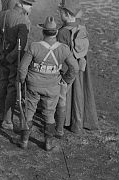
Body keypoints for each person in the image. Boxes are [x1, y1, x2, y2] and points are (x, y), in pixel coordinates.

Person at [17, 16, 78, 151]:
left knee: (29, 112)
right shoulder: (64, 49)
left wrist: (22, 80)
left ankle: (24, 141)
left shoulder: (34, 46)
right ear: (56, 32)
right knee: (49, 114)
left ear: (43, 31)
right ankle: (48, 143)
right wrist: (66, 80)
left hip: (33, 84)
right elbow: (75, 68)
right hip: (53, 87)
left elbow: (22, 68)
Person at [0, 0, 33, 130]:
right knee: (11, 88)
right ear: (21, 4)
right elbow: (22, 45)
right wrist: (10, 57)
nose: (30, 7)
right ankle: (7, 120)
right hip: (14, 60)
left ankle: (1, 114)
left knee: (2, 84)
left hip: (2, 56)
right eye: (29, 4)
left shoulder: (3, 14)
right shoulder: (24, 21)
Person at [55, 0, 98, 135]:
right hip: (81, 68)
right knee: (79, 94)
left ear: (67, 14)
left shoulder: (63, 32)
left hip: (68, 69)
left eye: (60, 12)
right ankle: (78, 124)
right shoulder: (81, 28)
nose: (59, 14)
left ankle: (65, 121)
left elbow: (61, 56)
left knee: (66, 94)